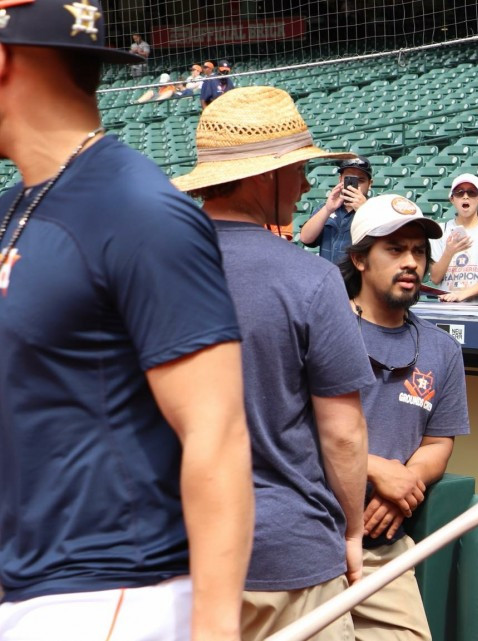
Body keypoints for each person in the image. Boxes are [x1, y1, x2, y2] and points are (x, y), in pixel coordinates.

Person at [0, 3, 253, 639]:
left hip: (114, 594)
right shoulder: (16, 205)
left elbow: (216, 431)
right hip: (27, 583)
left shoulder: (139, 208)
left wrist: (215, 632)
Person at [173, 87, 373, 641]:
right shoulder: (310, 279)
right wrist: (353, 531)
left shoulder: (146, 268)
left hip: (173, 552)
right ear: (265, 176)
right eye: (297, 169)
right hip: (287, 558)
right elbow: (344, 435)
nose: (308, 184)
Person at [340, 194, 470, 641]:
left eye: (418, 250)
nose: (411, 261)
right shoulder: (323, 327)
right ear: (359, 259)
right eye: (394, 250)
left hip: (382, 546)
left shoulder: (442, 349)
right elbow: (290, 431)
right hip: (315, 538)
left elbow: (438, 443)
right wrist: (380, 471)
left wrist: (404, 487)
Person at [429, 174, 478, 303]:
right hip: (447, 307)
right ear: (452, 199)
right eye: (459, 193)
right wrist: (449, 252)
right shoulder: (440, 230)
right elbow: (435, 278)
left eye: (472, 192)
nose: (465, 196)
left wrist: (461, 295)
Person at [299, 156, 373, 265]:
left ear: (370, 184)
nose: (354, 186)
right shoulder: (326, 208)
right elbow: (306, 238)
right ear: (340, 180)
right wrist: (328, 209)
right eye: (349, 179)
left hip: (357, 279)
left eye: (360, 180)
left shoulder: (376, 210)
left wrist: (363, 211)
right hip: (329, 277)